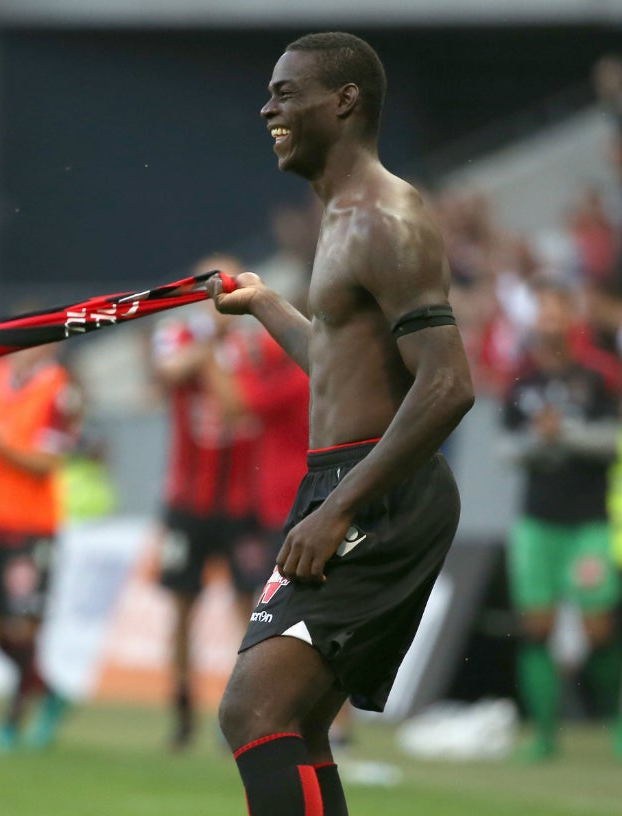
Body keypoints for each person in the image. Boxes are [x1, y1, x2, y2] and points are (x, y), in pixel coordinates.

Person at [209, 32, 475, 815]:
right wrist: (264, 304)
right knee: (291, 724)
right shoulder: (342, 218)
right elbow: (340, 366)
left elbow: (450, 384)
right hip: (348, 481)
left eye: (286, 93)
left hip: (379, 491)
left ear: (345, 101)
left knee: (253, 709)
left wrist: (342, 507)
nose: (268, 109)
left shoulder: (385, 216)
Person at [501, 279, 621, 762]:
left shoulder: (598, 375)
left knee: (598, 628)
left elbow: (613, 441)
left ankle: (615, 722)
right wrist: (537, 440)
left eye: (556, 312)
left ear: (571, 318)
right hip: (537, 522)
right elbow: (505, 450)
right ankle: (546, 736)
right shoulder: (521, 380)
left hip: (587, 521)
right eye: (541, 312)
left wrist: (562, 433)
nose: (548, 321)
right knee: (536, 626)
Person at [149, 254, 265, 751]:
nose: (219, 292)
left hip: (241, 504)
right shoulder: (179, 333)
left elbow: (242, 406)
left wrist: (212, 352)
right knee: (180, 609)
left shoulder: (254, 343)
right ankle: (181, 711)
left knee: (250, 609)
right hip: (187, 502)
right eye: (210, 284)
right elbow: (168, 375)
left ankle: (241, 714)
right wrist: (209, 346)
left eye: (227, 283)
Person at [0, 341, 80, 752]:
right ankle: (49, 692)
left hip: (33, 526)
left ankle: (13, 720)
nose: (24, 352)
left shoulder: (62, 391)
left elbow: (48, 462)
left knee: (24, 626)